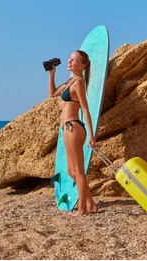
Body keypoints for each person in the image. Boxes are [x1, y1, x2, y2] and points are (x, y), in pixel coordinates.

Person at [48, 50, 98, 216]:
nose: (69, 61)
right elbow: (52, 94)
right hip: (67, 128)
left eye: (73, 60)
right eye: (69, 59)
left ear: (82, 65)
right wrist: (52, 74)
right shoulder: (70, 81)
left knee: (79, 171)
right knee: (71, 171)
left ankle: (82, 208)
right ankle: (91, 205)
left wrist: (92, 135)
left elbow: (85, 108)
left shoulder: (79, 82)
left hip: (74, 127)